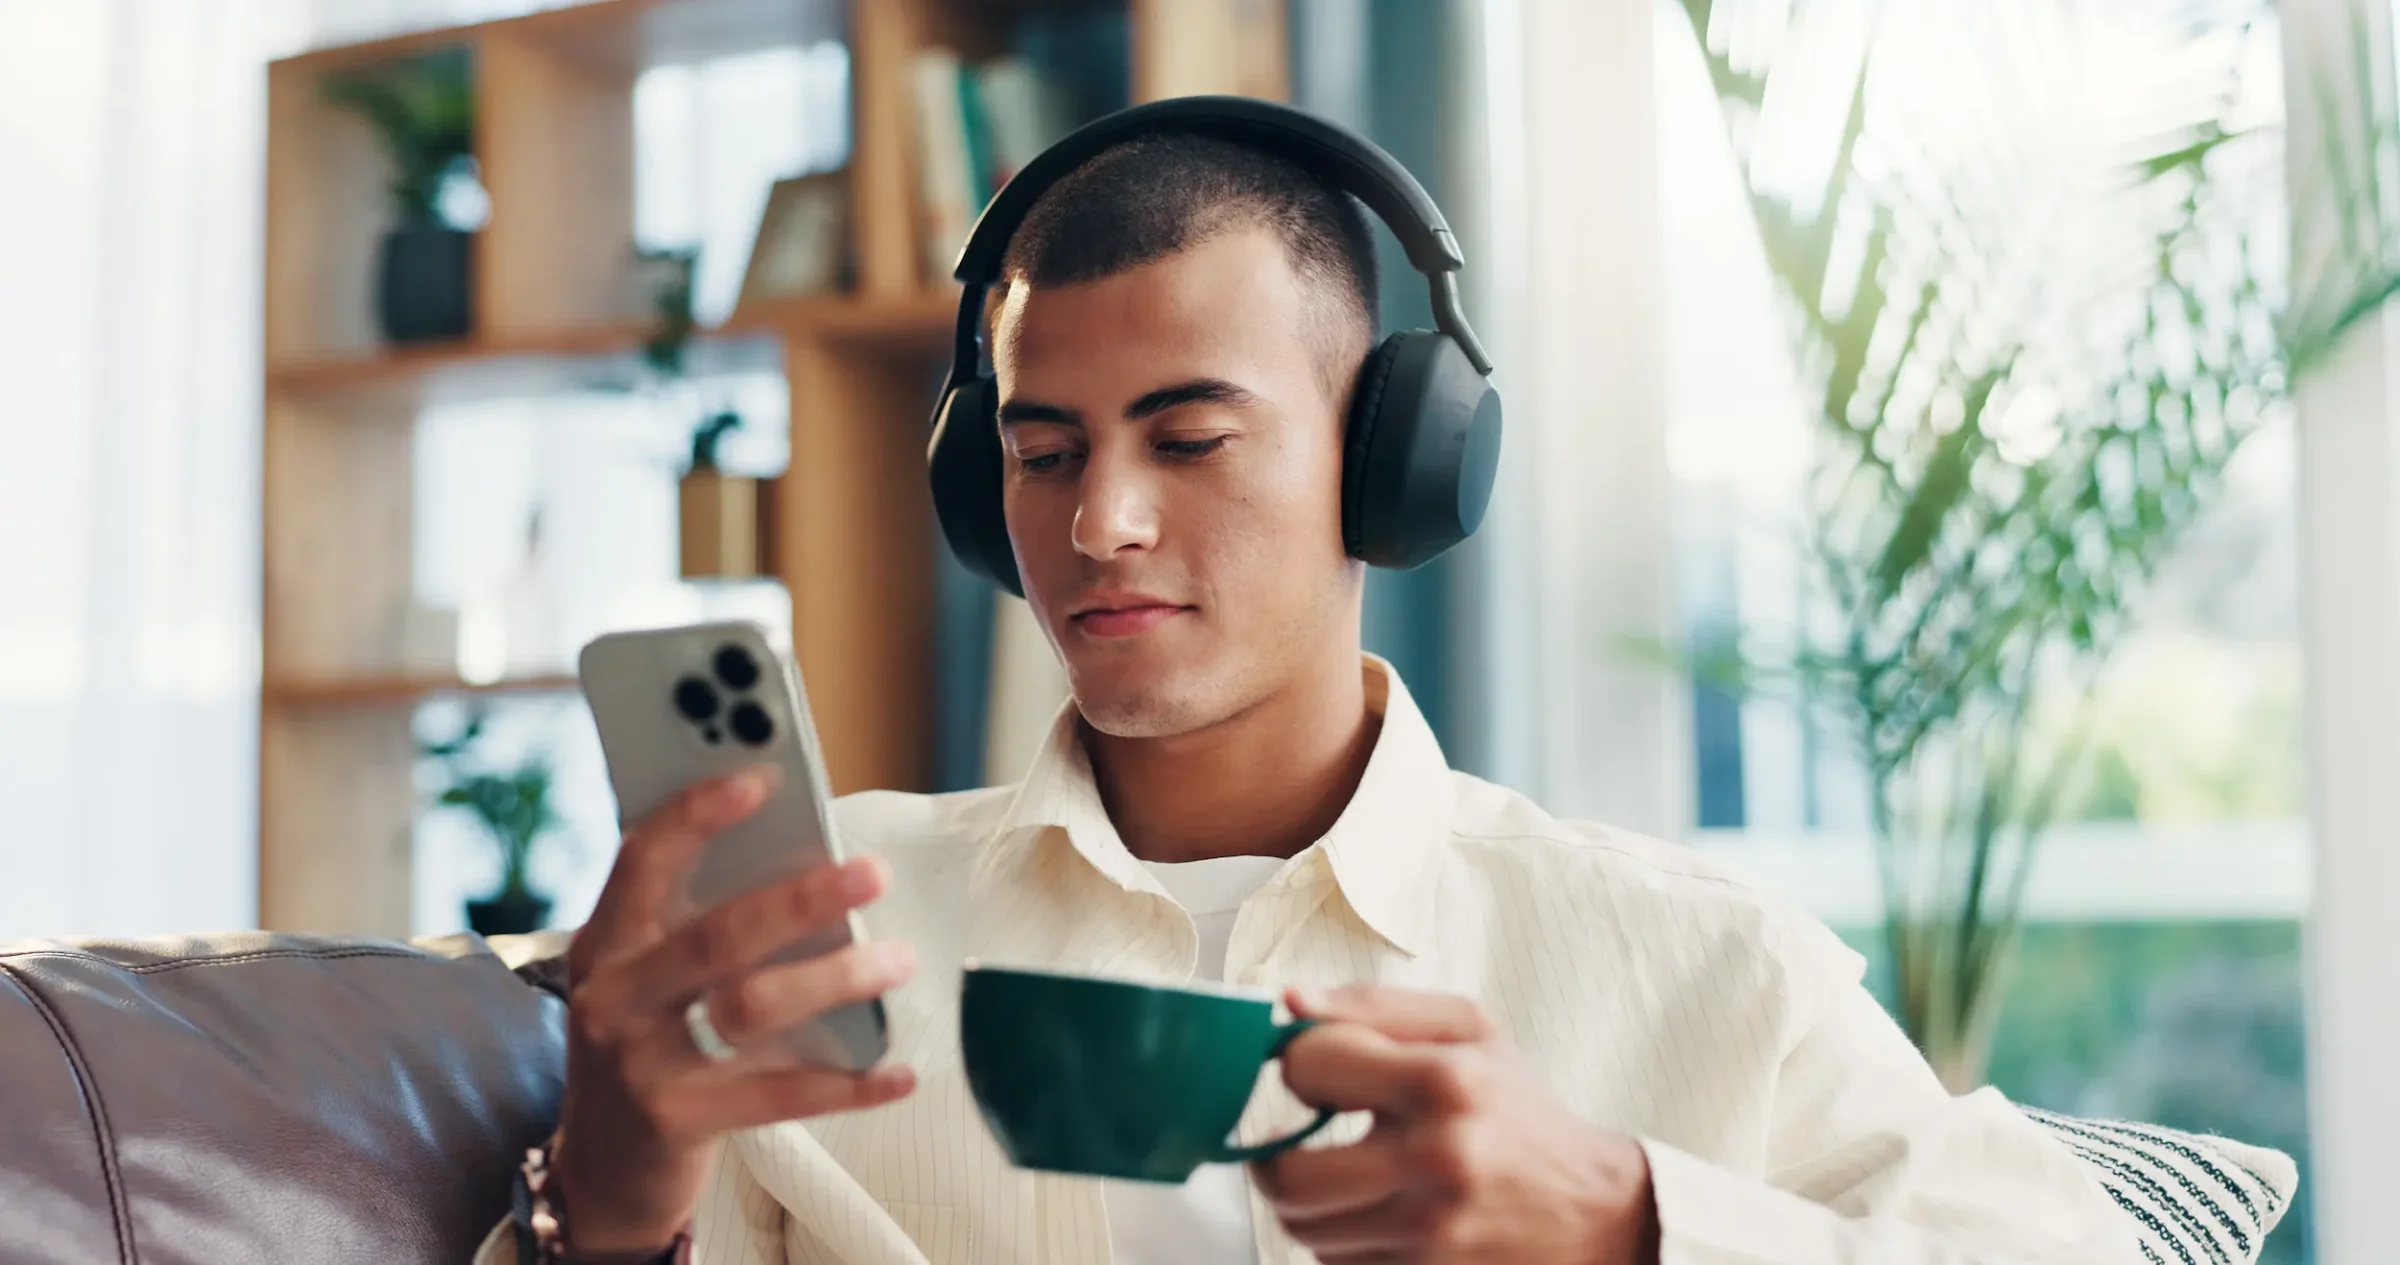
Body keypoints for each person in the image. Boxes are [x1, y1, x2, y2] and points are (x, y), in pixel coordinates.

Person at [484, 103, 2139, 1265]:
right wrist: (608, 1213)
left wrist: (1622, 1218)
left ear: (1396, 466)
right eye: (1042, 450)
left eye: (1190, 439)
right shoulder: (822, 938)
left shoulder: (1698, 965)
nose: (1100, 522)